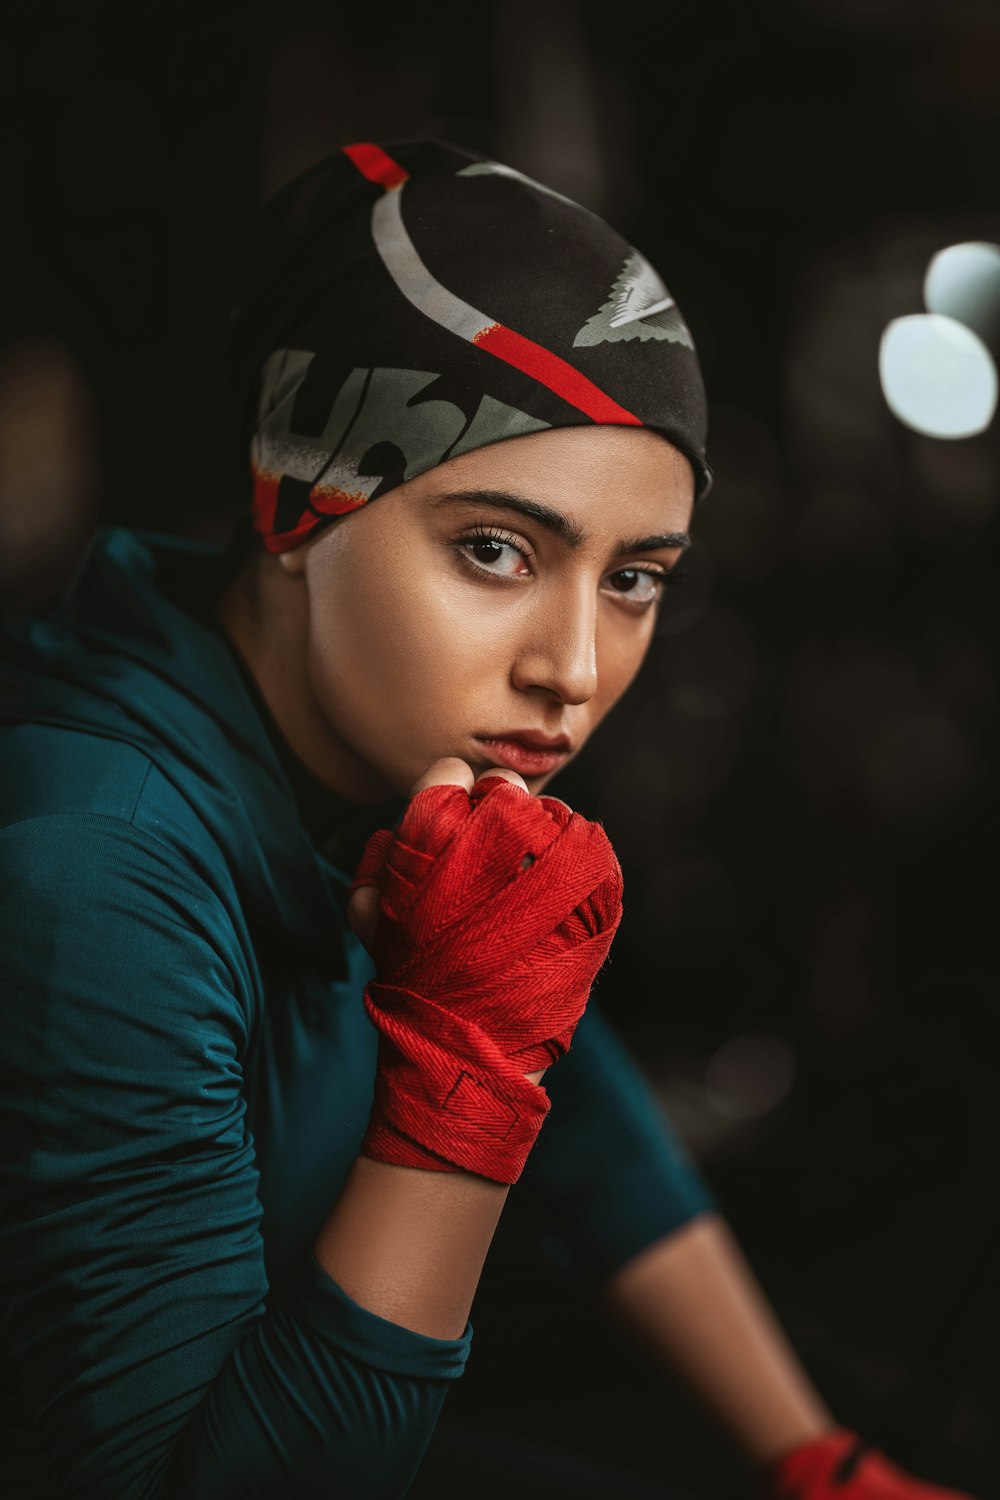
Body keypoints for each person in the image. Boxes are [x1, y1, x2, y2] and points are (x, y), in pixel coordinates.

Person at [0, 139, 975, 1500]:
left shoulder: (358, 759)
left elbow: (576, 1111)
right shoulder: (93, 866)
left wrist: (809, 1454)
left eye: (634, 578)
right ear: (296, 499)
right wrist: (464, 1074)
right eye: (496, 550)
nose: (572, 670)